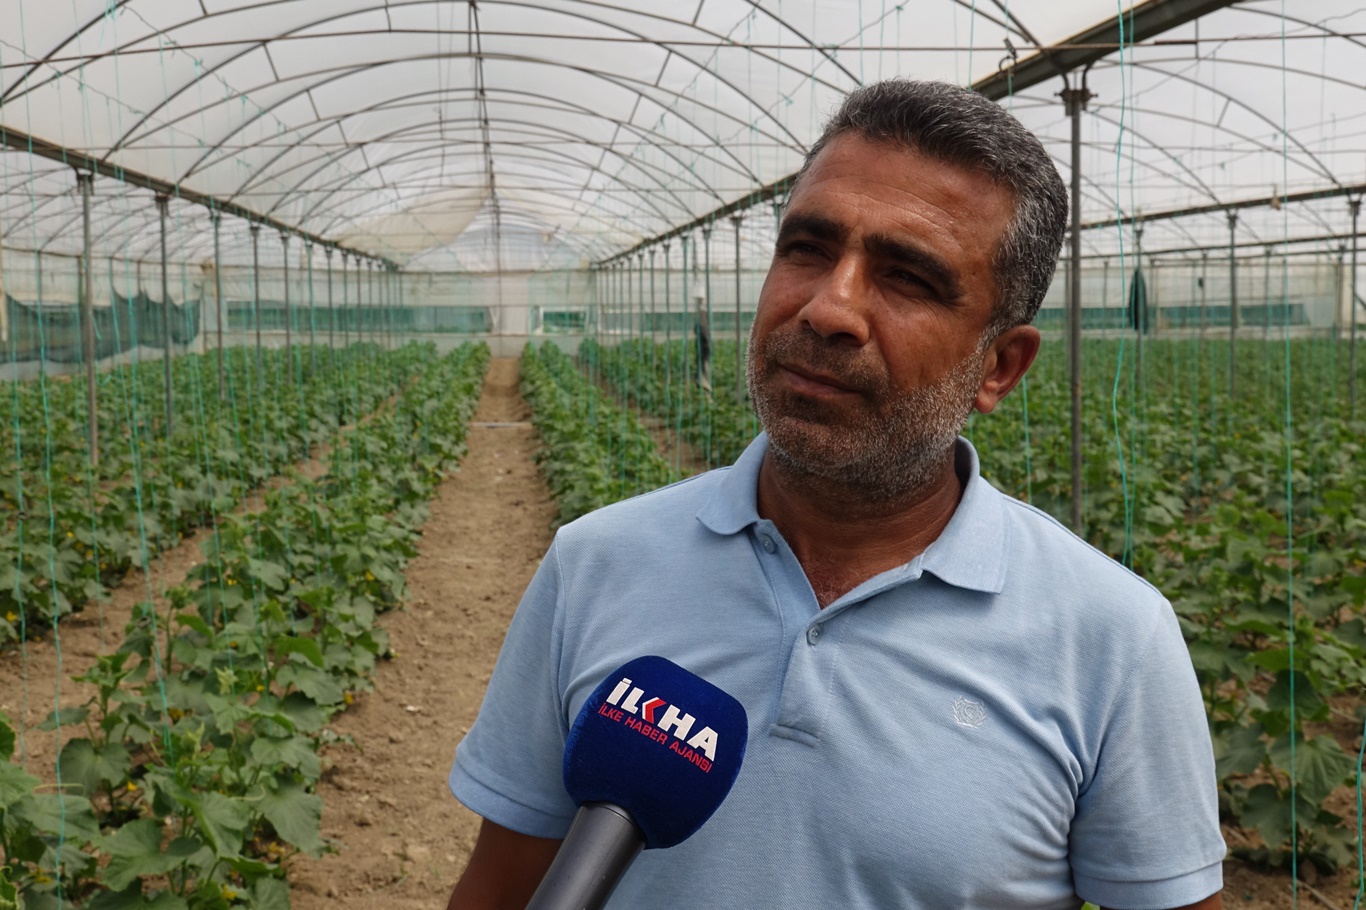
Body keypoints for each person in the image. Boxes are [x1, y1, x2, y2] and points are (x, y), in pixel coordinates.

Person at [446, 80, 1225, 910]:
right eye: (808, 249)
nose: (828, 308)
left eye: (908, 278)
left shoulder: (1113, 639)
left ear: (999, 368)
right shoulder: (595, 563)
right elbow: (502, 885)